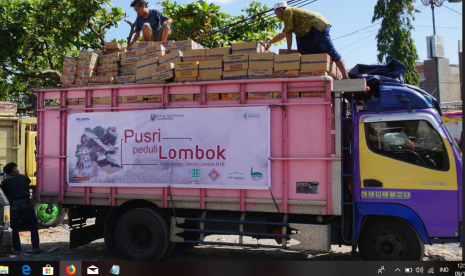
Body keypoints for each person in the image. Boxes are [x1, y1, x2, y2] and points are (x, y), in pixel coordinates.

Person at [265, 1, 349, 79]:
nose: (277, 16)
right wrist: (269, 42)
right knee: (304, 54)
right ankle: (315, 75)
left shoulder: (287, 12)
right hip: (306, 32)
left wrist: (289, 50)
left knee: (329, 50)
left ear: (280, 10)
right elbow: (284, 34)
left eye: (276, 13)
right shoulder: (290, 17)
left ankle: (345, 77)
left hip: (316, 26)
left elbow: (289, 32)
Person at [1, 162, 42, 255]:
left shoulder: (5, 182)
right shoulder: (23, 177)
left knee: (14, 227)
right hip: (26, 201)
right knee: (32, 225)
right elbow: (27, 185)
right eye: (16, 168)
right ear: (13, 170)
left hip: (13, 204)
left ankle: (17, 249)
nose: (17, 169)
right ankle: (36, 248)